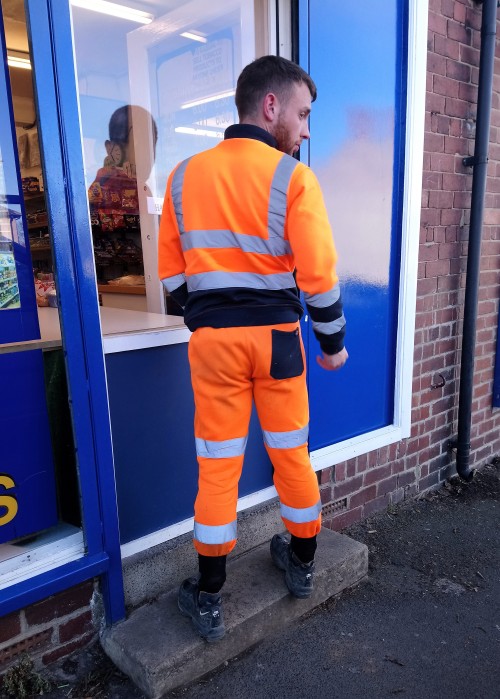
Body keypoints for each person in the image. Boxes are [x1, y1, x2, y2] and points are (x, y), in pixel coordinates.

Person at [158, 55, 348, 642]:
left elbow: (171, 280)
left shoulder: (184, 176)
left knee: (218, 466)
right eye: (303, 113)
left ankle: (209, 597)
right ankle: (302, 563)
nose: (307, 128)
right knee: (292, 451)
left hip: (214, 343)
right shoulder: (294, 178)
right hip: (279, 342)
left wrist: (206, 316)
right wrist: (332, 343)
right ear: (271, 107)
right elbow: (318, 273)